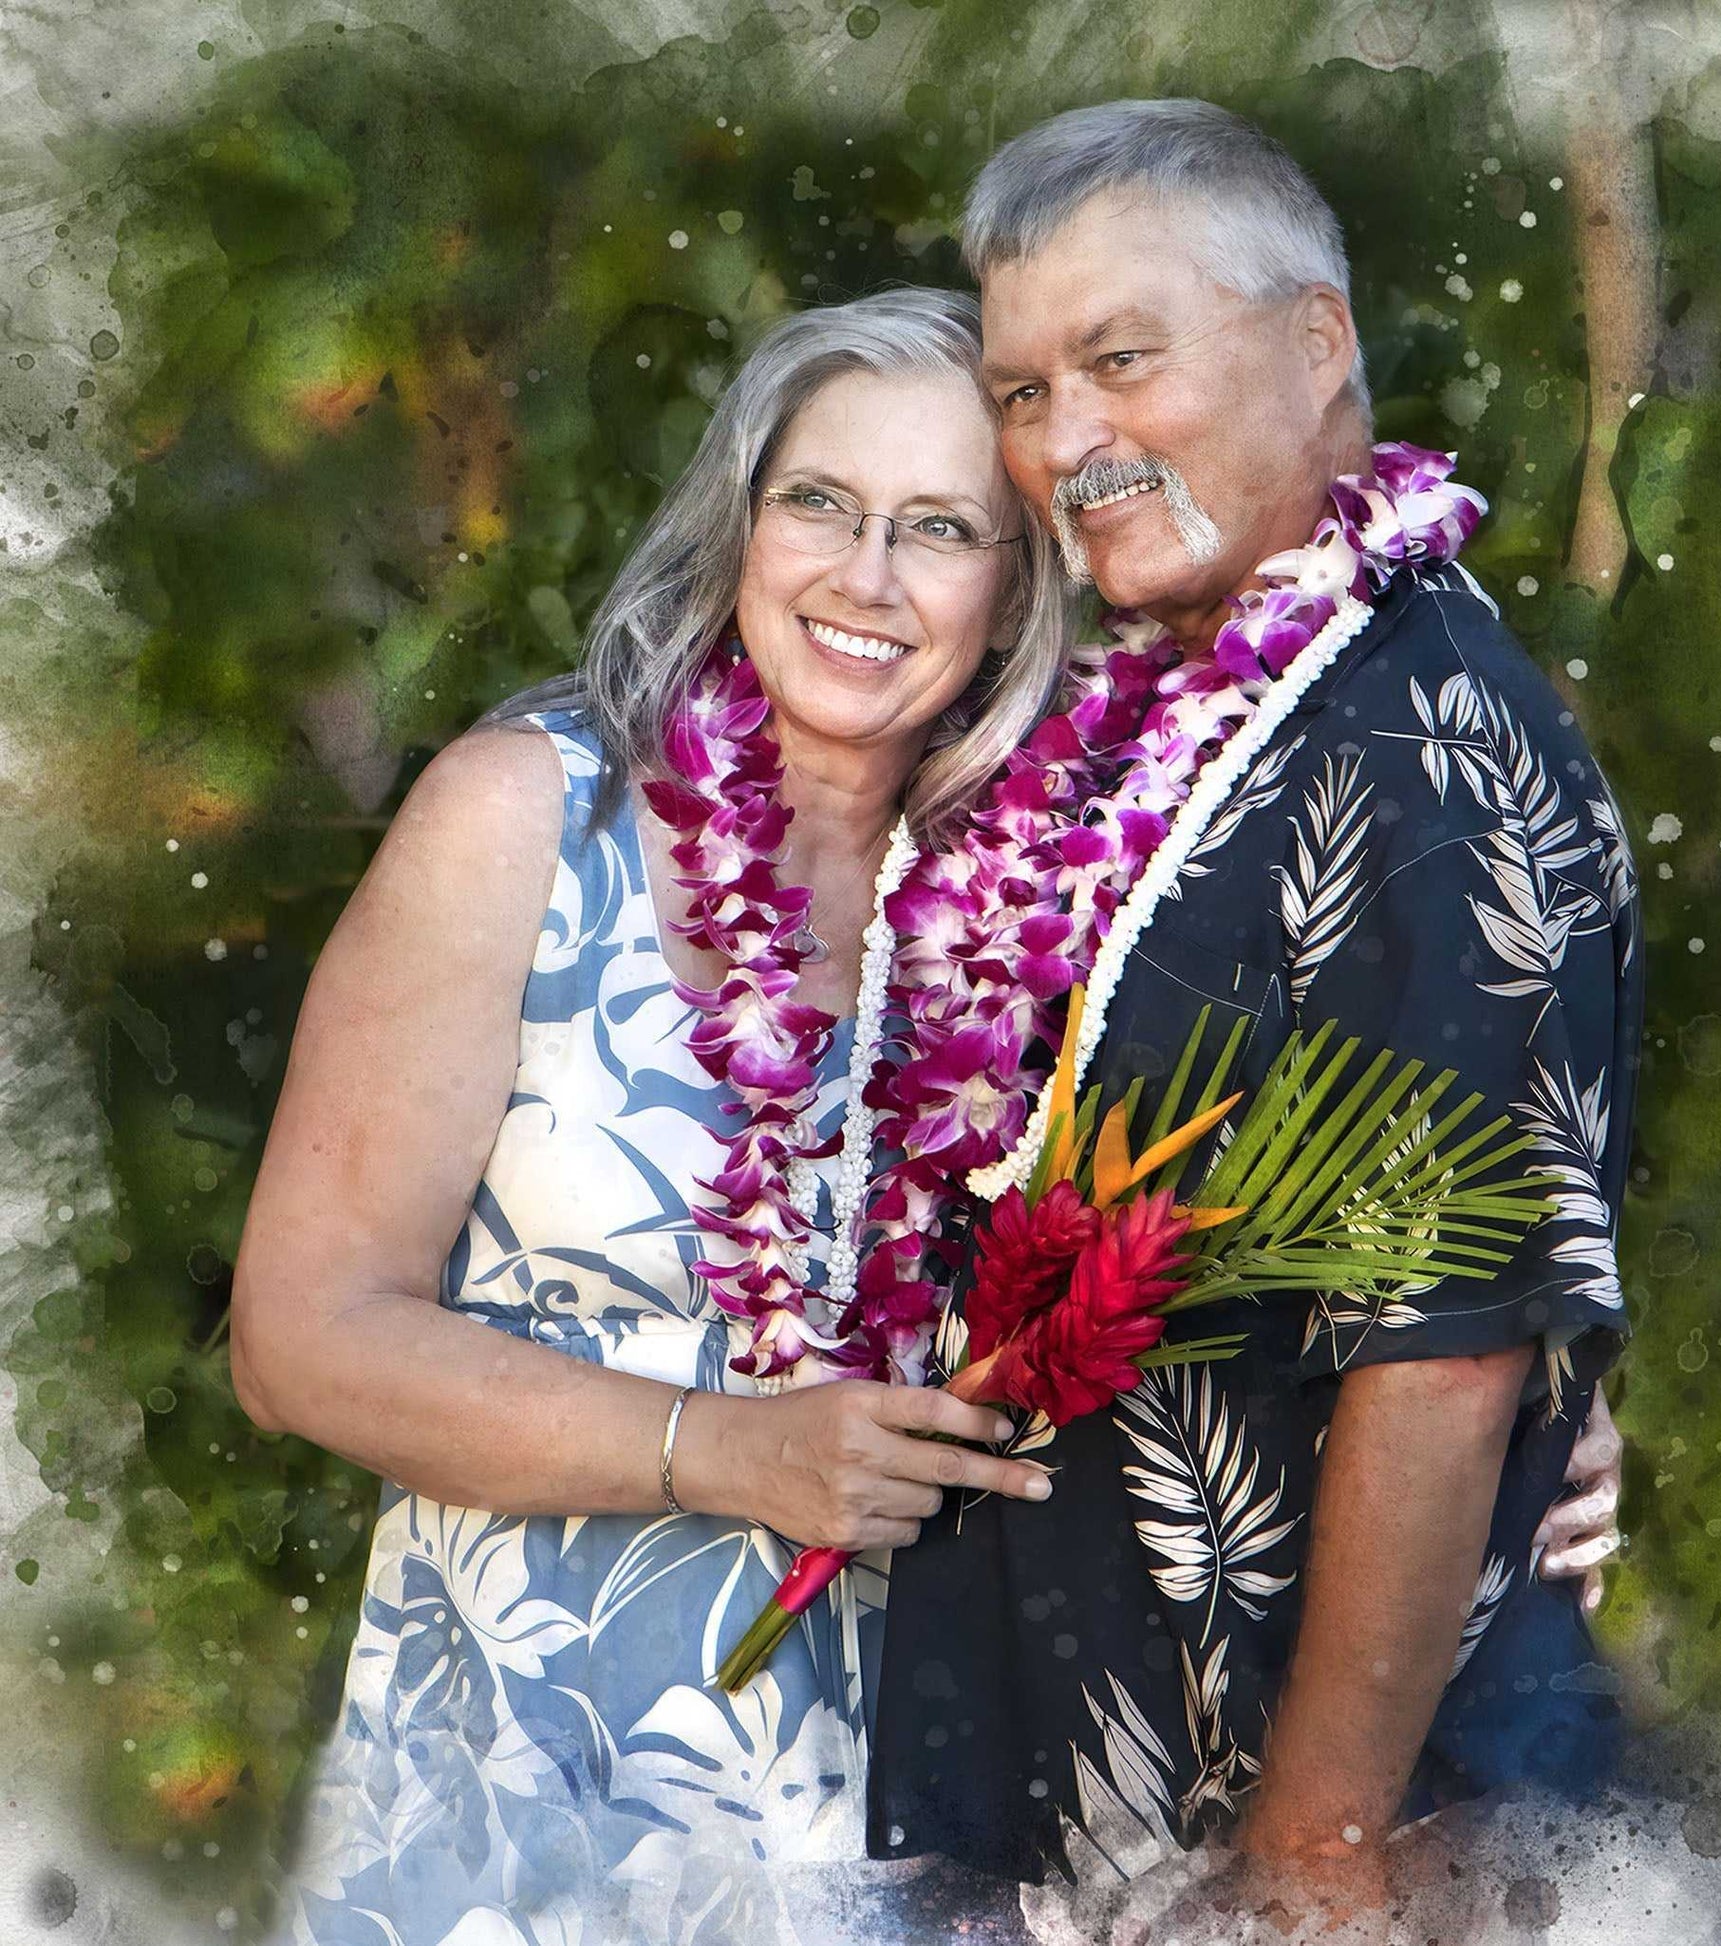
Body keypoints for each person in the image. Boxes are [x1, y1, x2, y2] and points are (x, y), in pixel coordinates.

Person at [866, 100, 1641, 1932]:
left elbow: (1442, 1347)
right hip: (1078, 1787)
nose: (1068, 441)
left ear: (1316, 343)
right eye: (1025, 390)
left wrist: (1308, 1864)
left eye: (1120, 360)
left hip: (1281, 1835)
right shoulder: (1165, 706)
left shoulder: (1425, 749)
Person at [232, 288, 1073, 1946]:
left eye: (941, 527)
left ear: (1020, 584)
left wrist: (1532, 1438)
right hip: (522, 1836)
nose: (864, 576)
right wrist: (728, 1453)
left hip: (921, 1843)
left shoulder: (1060, 909)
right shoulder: (531, 814)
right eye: (817, 502)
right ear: (739, 519)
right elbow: (299, 1337)